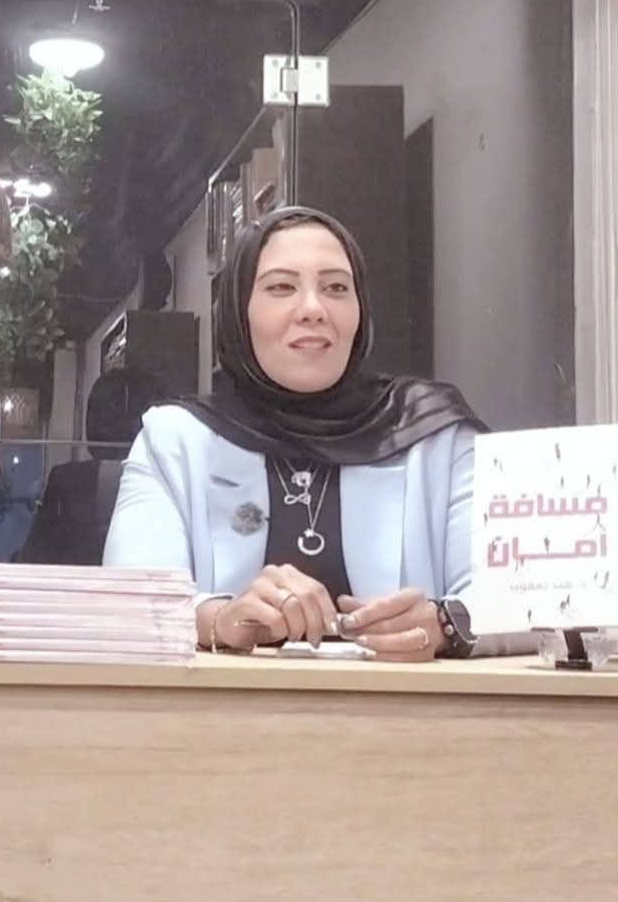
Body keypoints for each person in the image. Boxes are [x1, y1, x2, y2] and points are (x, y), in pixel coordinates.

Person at [105, 205, 509, 661]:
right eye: (281, 287)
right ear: (238, 313)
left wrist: (446, 624)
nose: (314, 309)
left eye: (336, 288)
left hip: (409, 706)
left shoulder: (434, 434)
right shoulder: (176, 441)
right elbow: (127, 609)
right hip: (226, 707)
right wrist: (218, 620)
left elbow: (530, 600)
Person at [15, 367, 161, 565]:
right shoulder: (163, 480)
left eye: (100, 412)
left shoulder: (67, 480)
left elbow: (36, 557)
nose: (95, 420)